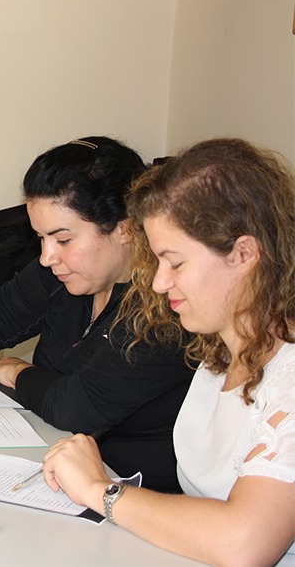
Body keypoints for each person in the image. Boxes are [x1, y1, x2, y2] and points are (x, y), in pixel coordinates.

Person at [43, 138, 295, 565]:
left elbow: (246, 543)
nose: (159, 283)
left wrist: (99, 489)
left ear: (244, 254)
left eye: (175, 263)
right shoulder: (219, 350)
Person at [0, 136, 194, 492]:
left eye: (63, 240)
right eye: (41, 238)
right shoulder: (61, 275)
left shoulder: (168, 306)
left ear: (125, 227)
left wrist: (17, 370)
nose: (46, 257)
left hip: (135, 495)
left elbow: (77, 407)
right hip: (56, 467)